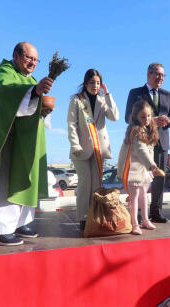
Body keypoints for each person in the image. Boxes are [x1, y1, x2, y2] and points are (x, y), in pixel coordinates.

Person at [0, 42, 54, 246]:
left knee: (24, 176)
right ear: (15, 55)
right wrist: (33, 91)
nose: (32, 63)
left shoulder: (29, 79)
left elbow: (30, 104)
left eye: (35, 60)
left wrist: (42, 105)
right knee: (3, 181)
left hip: (23, 142)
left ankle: (19, 223)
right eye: (29, 58)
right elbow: (5, 92)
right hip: (4, 142)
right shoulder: (2, 73)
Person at [125, 63, 170, 223]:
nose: (160, 77)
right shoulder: (135, 93)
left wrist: (167, 121)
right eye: (158, 74)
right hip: (142, 142)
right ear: (148, 74)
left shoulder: (167, 95)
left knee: (159, 178)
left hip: (162, 142)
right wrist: (151, 120)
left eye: (163, 75)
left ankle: (156, 212)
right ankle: (140, 213)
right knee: (141, 178)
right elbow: (128, 117)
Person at [67, 69, 119, 228]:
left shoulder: (103, 100)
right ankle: (83, 218)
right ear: (85, 83)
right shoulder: (77, 100)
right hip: (81, 148)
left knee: (96, 183)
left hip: (99, 148)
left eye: (98, 83)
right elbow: (72, 124)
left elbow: (115, 117)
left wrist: (108, 95)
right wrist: (75, 144)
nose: (95, 86)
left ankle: (95, 216)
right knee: (85, 182)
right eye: (92, 82)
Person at [117, 100, 164, 234]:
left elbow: (149, 150)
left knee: (144, 194)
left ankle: (145, 219)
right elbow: (141, 150)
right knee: (134, 196)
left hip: (144, 169)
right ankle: (134, 223)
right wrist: (153, 166)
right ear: (136, 117)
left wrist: (150, 167)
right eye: (143, 117)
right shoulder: (136, 131)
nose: (147, 119)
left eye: (149, 116)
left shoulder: (149, 129)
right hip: (133, 169)